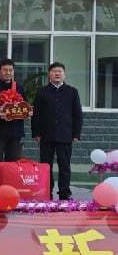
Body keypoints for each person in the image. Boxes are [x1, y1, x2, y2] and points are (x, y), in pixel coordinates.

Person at [32, 62, 83, 201]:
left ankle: (64, 192)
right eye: (54, 71)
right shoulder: (42, 91)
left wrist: (76, 133)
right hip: (46, 135)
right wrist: (36, 133)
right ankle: (46, 191)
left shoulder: (72, 91)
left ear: (64, 74)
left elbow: (77, 114)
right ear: (49, 74)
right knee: (45, 165)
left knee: (64, 165)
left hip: (65, 134)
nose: (57, 73)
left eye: (60, 71)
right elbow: (36, 114)